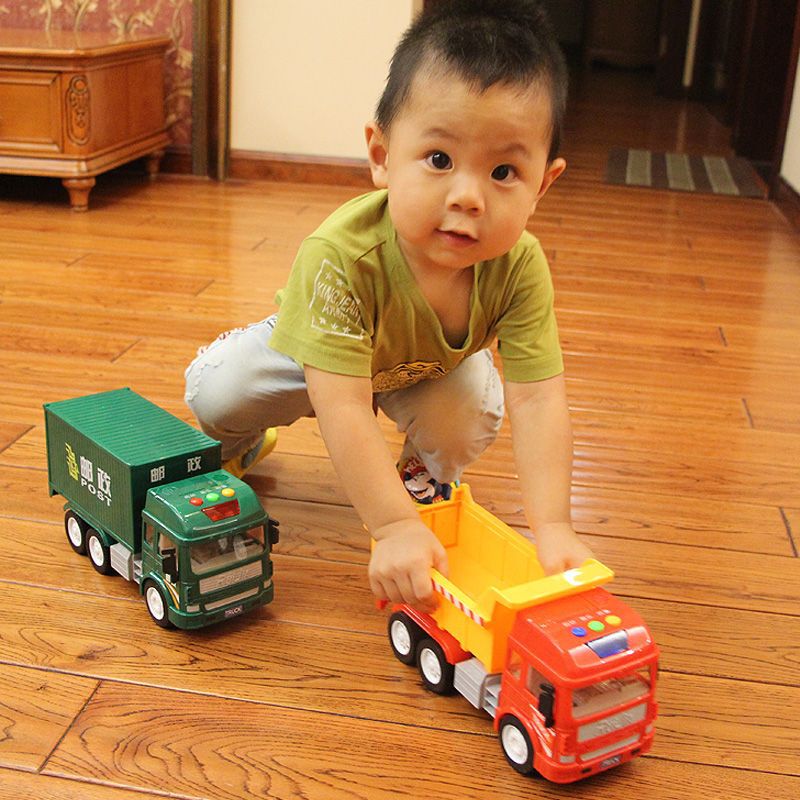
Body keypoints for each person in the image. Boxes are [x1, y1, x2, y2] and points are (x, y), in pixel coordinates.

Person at [184, 0, 594, 613]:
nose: (468, 196)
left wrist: (554, 526)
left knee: (472, 408)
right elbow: (343, 405)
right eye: (439, 160)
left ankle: (417, 478)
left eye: (504, 171)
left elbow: (538, 400)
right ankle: (245, 433)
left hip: (421, 368)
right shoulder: (338, 256)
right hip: (316, 360)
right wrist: (393, 527)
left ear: (544, 184)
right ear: (381, 156)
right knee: (216, 396)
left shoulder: (520, 266)